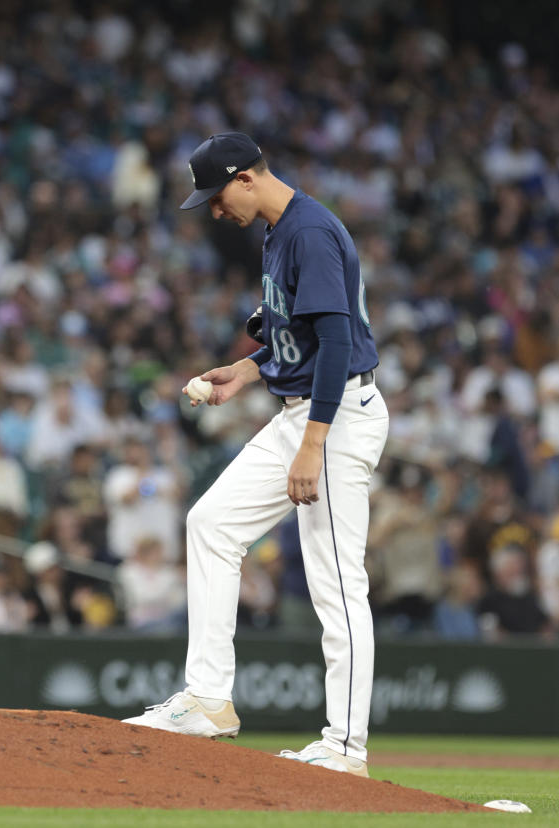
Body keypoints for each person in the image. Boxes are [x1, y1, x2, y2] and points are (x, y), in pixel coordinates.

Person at [121, 134, 388, 778]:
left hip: (336, 416)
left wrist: (314, 444)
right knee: (210, 525)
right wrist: (245, 370)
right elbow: (289, 330)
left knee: (336, 583)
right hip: (302, 412)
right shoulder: (278, 230)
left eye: (215, 197)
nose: (213, 211)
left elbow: (333, 340)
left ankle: (345, 747)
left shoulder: (310, 232)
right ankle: (209, 699)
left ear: (245, 178)